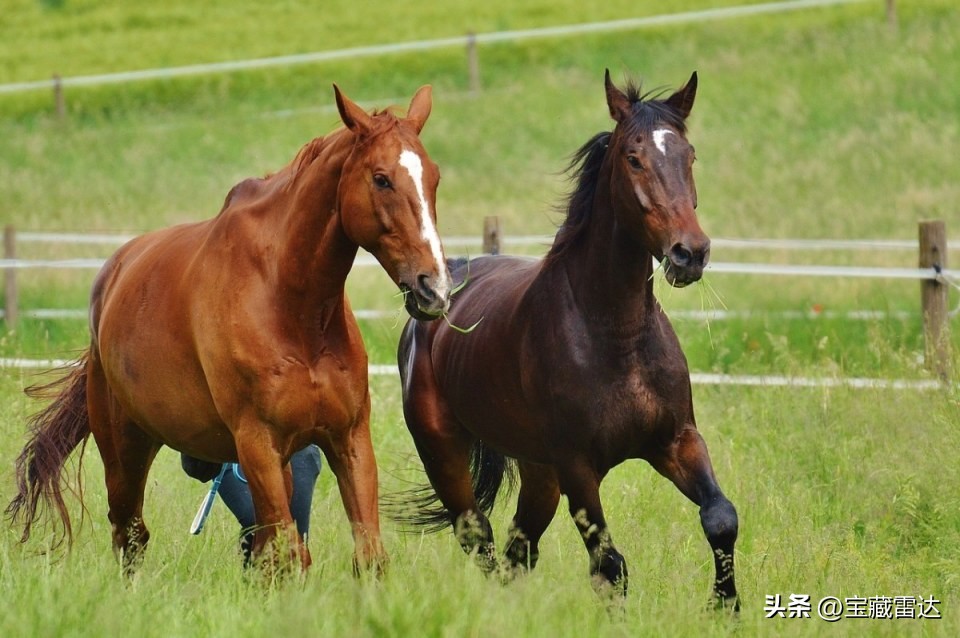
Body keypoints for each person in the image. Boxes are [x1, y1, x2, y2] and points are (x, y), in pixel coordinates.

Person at [181, 445, 322, 564]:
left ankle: (279, 590)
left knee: (295, 537)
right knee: (257, 521)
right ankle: (253, 583)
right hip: (234, 446)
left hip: (296, 446)